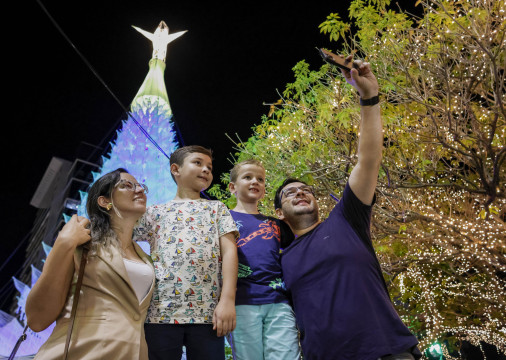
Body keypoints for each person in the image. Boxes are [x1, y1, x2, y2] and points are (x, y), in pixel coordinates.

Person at [274, 57, 421, 360]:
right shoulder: (279, 259)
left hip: (387, 351)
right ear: (279, 212)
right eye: (290, 193)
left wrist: (369, 97)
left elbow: (367, 160)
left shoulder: (346, 220)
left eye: (305, 190)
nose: (300, 192)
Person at [26, 168, 155, 360]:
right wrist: (64, 244)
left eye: (141, 186)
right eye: (127, 185)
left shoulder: (146, 259)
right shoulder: (83, 242)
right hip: (81, 353)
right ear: (104, 201)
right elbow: (37, 318)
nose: (139, 190)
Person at [133, 145, 239, 360]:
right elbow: (123, 235)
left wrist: (227, 300)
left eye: (209, 166)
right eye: (198, 163)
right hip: (159, 313)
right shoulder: (154, 212)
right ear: (176, 169)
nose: (206, 170)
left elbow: (229, 253)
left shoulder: (216, 209)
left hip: (208, 315)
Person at [226, 159, 300, 360]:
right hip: (242, 303)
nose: (255, 182)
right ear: (233, 187)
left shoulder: (275, 224)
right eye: (247, 177)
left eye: (260, 179)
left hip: (278, 301)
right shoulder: (223, 218)